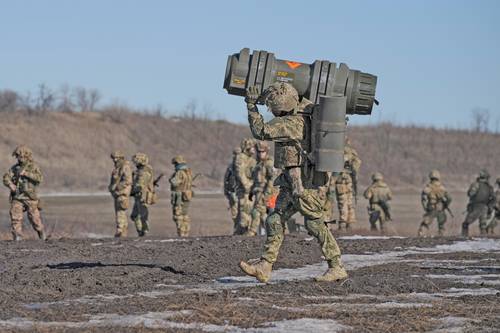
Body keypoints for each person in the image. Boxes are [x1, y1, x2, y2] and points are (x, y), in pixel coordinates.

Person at [239, 82, 347, 283]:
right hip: (291, 180)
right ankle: (265, 266)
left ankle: (336, 266)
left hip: (303, 184)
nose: (270, 108)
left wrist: (251, 105)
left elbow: (260, 131)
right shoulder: (302, 114)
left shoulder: (290, 123)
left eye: (272, 104)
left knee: (314, 224)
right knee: (274, 220)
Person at [2, 145, 45, 241]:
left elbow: (39, 179)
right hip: (17, 197)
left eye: (20, 156)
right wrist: (10, 185)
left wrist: (26, 174)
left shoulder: (33, 167)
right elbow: (6, 177)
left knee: (35, 219)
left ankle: (41, 233)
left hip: (30, 197)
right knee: (15, 217)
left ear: (26, 156)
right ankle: (17, 236)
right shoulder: (15, 168)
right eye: (17, 156)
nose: (19, 158)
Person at [248, 141, 275, 236]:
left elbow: (272, 179)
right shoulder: (258, 164)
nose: (260, 154)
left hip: (268, 194)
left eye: (262, 152)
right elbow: (256, 180)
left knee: (258, 212)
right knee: (262, 214)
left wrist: (267, 194)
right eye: (258, 152)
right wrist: (251, 192)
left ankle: (252, 232)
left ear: (266, 151)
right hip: (259, 193)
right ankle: (267, 233)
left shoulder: (269, 163)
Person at [418, 170, 452, 237]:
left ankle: (421, 236)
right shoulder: (442, 188)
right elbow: (449, 198)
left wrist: (426, 208)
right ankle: (441, 237)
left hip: (431, 207)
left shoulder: (427, 188)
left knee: (425, 223)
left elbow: (423, 199)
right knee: (441, 224)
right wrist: (445, 205)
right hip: (440, 208)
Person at [462, 169, 494, 237]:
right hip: (485, 208)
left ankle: (463, 237)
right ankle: (483, 241)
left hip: (476, 207)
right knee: (483, 226)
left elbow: (471, 193)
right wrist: (490, 208)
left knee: (465, 224)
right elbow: (493, 199)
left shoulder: (476, 184)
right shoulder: (489, 187)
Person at [234, 138, 256, 235]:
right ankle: (243, 233)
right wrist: (247, 186)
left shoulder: (251, 159)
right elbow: (240, 173)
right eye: (252, 148)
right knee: (244, 212)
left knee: (249, 212)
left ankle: (243, 233)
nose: (254, 150)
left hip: (251, 190)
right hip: (244, 190)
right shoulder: (241, 158)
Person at [108, 151, 132, 238]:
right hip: (118, 194)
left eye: (116, 158)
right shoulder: (117, 168)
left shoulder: (125, 167)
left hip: (122, 194)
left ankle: (121, 231)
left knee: (120, 213)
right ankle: (122, 232)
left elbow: (128, 180)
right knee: (120, 213)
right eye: (114, 158)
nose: (114, 160)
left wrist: (117, 187)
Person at [130, 153, 155, 237]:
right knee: (135, 216)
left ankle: (143, 232)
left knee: (142, 216)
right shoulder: (144, 170)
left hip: (142, 196)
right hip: (139, 196)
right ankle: (141, 232)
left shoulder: (143, 172)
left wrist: (130, 191)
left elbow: (139, 186)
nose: (134, 163)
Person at [169, 155, 193, 237]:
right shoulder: (188, 172)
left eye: (175, 164)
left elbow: (174, 182)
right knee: (185, 215)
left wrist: (171, 179)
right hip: (187, 196)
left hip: (179, 197)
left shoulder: (179, 173)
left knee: (178, 216)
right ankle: (186, 233)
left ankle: (181, 234)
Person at [223, 148, 241, 230]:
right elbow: (226, 180)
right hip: (233, 193)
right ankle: (237, 229)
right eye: (235, 154)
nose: (237, 156)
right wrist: (227, 192)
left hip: (241, 193)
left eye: (238, 154)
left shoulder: (244, 165)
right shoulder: (230, 167)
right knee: (235, 214)